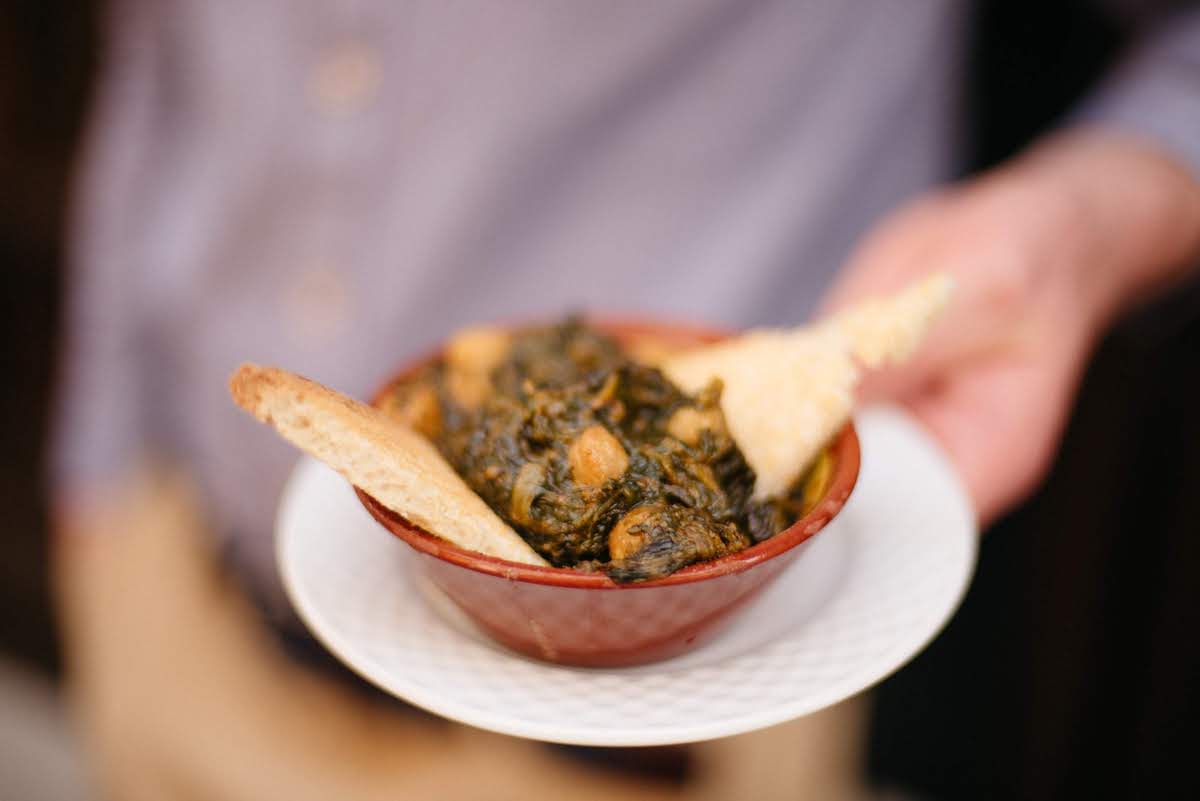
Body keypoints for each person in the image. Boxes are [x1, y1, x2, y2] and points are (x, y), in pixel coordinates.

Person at [51, 2, 1200, 799]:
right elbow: (161, 48)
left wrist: (1086, 221)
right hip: (174, 591)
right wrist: (92, 457)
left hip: (676, 736)